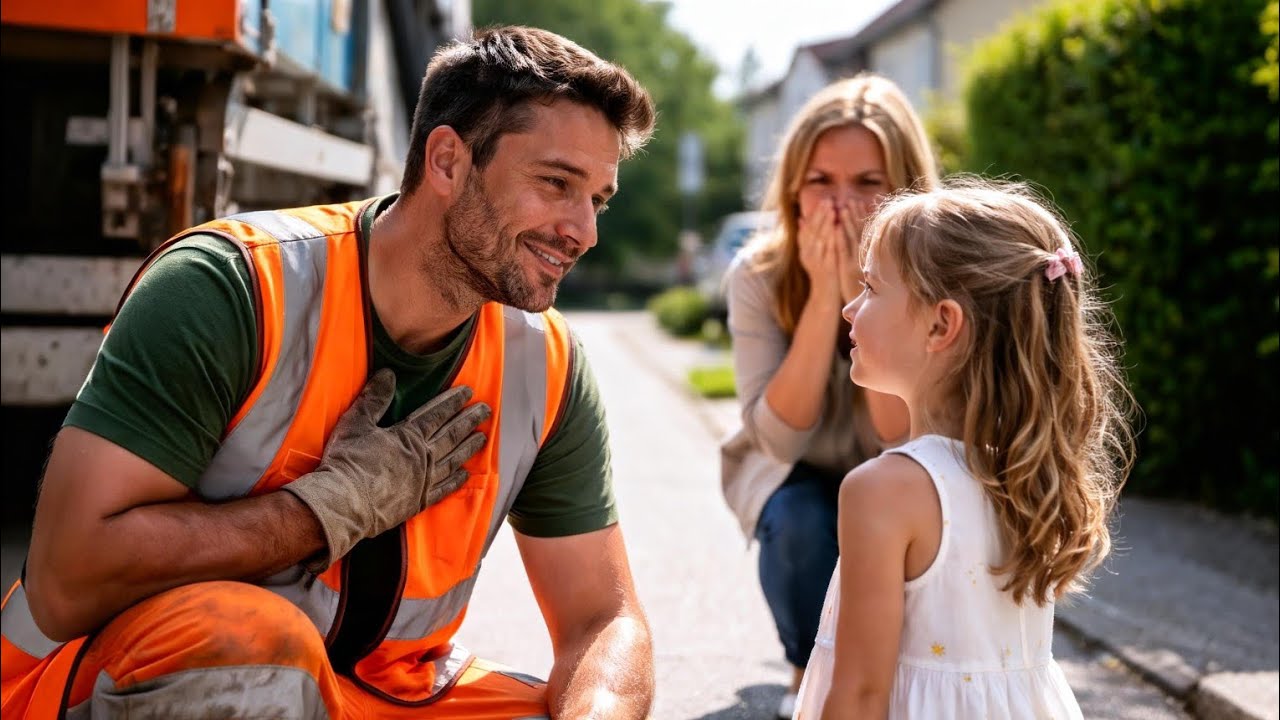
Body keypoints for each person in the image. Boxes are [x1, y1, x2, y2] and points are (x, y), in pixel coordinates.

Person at [2, 26, 657, 719]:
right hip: (108, 683)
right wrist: (319, 512)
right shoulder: (234, 288)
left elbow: (604, 621)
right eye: (556, 184)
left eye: (598, 200)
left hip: (369, 694)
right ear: (446, 162)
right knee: (251, 650)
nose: (584, 230)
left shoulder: (543, 364)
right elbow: (66, 578)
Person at [794, 177, 1136, 718]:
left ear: (941, 324)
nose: (849, 309)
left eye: (872, 288)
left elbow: (860, 695)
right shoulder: (1027, 472)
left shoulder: (883, 491)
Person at [718, 73, 939, 717]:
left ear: (907, 188)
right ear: (794, 189)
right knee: (801, 523)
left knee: (897, 505)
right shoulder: (759, 273)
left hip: (901, 468)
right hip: (797, 470)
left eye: (869, 184)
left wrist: (870, 294)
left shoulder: (940, 278)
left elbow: (905, 437)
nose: (844, 204)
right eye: (822, 181)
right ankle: (806, 668)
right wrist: (826, 298)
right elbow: (780, 436)